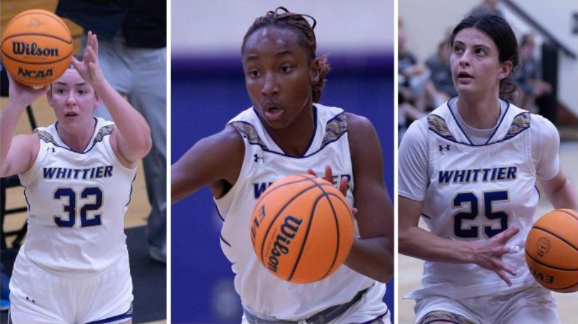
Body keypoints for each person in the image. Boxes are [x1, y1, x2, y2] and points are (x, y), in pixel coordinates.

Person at [172, 7, 393, 324]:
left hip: (355, 314)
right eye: (254, 73)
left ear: (314, 71)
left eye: (285, 68)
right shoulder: (229, 147)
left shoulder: (353, 134)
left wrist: (333, 239)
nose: (268, 86)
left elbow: (385, 263)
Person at [398, 14, 578, 324]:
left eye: (478, 52)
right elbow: (402, 233)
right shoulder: (422, 136)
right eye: (458, 50)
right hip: (448, 296)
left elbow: (559, 186)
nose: (463, 60)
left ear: (503, 69)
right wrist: (472, 253)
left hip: (522, 292)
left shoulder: (535, 131)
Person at [0, 32, 152, 324]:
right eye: (61, 91)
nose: (71, 101)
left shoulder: (114, 142)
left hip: (106, 289)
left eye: (82, 91)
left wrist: (101, 82)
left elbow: (144, 143)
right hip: (41, 289)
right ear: (49, 97)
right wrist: (15, 105)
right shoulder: (36, 145)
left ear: (96, 98)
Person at [56, 0, 167, 263]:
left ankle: (164, 241)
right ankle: (93, 248)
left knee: (165, 154)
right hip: (101, 48)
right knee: (93, 153)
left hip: (156, 48)